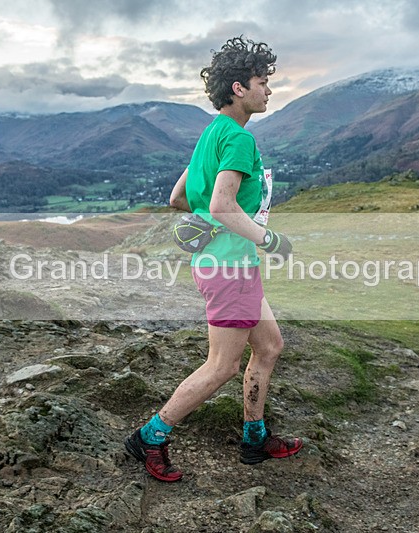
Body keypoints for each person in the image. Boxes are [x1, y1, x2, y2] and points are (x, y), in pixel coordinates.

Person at [124, 36, 302, 482]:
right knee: (221, 366)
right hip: (230, 268)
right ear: (239, 88)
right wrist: (270, 239)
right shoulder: (239, 138)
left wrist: (213, 221)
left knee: (269, 346)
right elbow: (223, 205)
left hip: (222, 263)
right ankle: (149, 437)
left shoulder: (211, 133)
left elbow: (178, 197)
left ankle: (254, 437)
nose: (269, 90)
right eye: (262, 82)